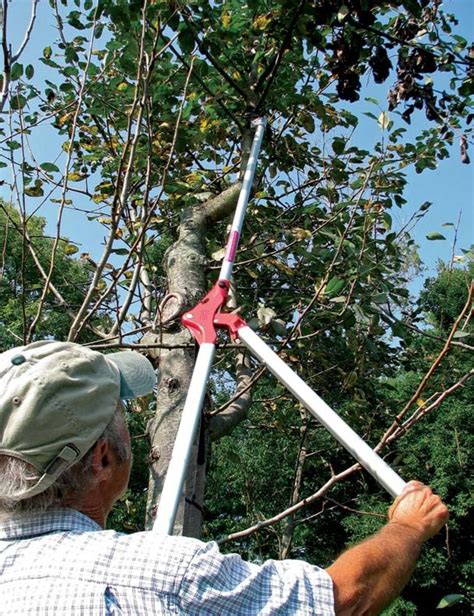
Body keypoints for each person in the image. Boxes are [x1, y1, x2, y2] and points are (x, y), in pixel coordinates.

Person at [0, 341, 448, 615]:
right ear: (101, 460)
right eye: (120, 413)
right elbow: (343, 600)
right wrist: (408, 527)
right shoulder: (161, 575)